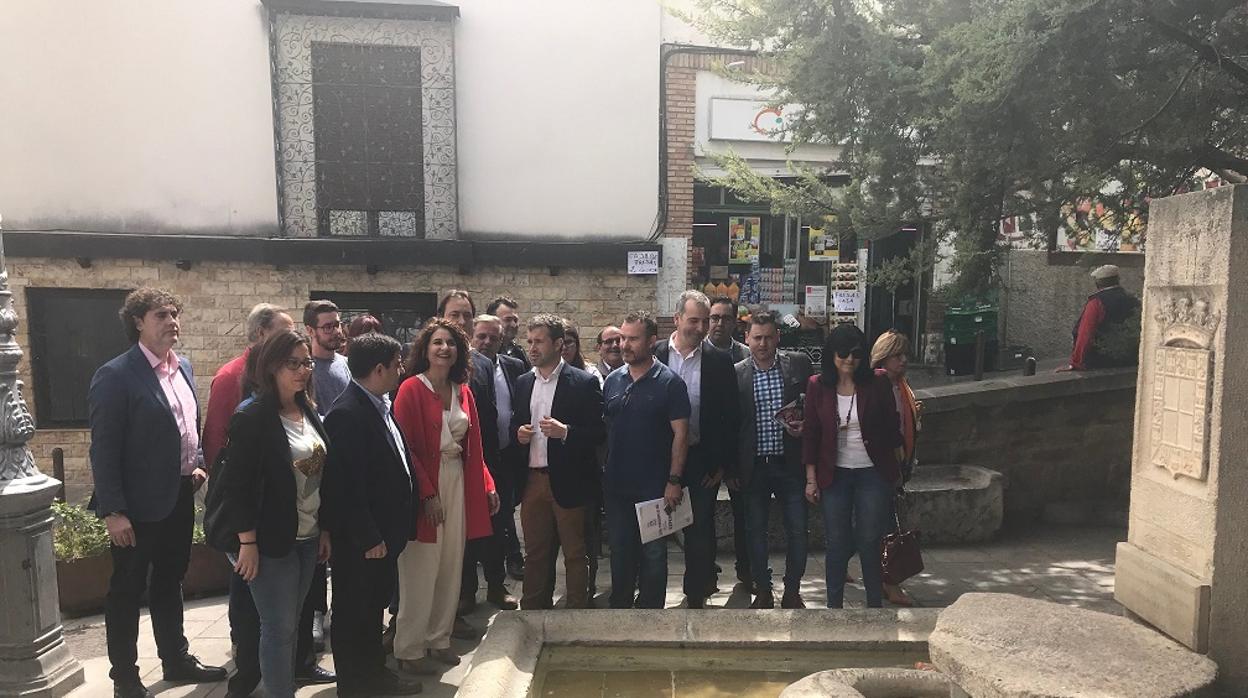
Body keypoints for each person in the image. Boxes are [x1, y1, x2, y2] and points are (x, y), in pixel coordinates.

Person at [88, 288, 226, 698]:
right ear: (137, 322)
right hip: (135, 508)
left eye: (175, 314)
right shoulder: (115, 375)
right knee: (127, 592)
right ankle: (125, 678)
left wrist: (198, 461)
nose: (172, 322)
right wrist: (114, 510)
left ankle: (176, 659)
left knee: (171, 581)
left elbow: (188, 423)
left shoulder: (182, 366)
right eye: (161, 315)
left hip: (179, 497)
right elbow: (104, 448)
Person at [214, 329, 333, 698]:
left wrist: (324, 530)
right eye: (292, 364)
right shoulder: (252, 416)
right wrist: (246, 541)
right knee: (277, 628)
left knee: (292, 624)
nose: (302, 371)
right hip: (268, 541)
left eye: (306, 363)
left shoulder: (307, 408)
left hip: (307, 535)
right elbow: (238, 487)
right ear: (270, 367)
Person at [392, 320, 501, 675]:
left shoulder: (462, 390)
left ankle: (439, 639)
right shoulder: (409, 389)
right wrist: (427, 494)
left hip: (458, 479)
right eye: (437, 342)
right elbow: (405, 450)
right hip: (424, 484)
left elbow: (475, 446)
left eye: (451, 343)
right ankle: (409, 648)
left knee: (451, 564)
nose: (444, 348)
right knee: (420, 568)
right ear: (425, 349)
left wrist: (486, 484)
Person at [201, 303, 294, 697]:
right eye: (282, 332)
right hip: (247, 517)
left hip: (278, 515)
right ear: (259, 336)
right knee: (246, 597)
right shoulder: (231, 378)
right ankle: (247, 669)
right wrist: (243, 527)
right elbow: (219, 448)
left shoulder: (287, 386)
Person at [321, 333, 422, 696]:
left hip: (384, 535)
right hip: (365, 540)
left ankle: (375, 675)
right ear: (379, 368)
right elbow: (346, 487)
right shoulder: (347, 414)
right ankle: (355, 683)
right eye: (397, 363)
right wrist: (369, 536)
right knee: (354, 611)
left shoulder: (379, 403)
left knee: (372, 608)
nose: (402, 369)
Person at [803, 324, 903, 608]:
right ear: (831, 354)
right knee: (837, 541)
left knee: (870, 539)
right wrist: (811, 478)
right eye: (843, 353)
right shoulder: (817, 386)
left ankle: (874, 604)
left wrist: (897, 465)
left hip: (872, 471)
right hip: (835, 473)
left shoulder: (877, 383)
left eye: (856, 354)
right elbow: (811, 433)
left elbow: (891, 425)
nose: (849, 359)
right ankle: (833, 607)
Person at [510, 314, 606, 609]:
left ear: (558, 344)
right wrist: (519, 434)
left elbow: (599, 433)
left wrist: (566, 432)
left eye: (539, 341)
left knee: (575, 552)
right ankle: (533, 609)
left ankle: (577, 608)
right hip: (533, 481)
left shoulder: (583, 382)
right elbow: (517, 423)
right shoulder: (524, 382)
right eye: (530, 342)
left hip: (570, 481)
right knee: (536, 552)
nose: (533, 348)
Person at [654, 291, 738, 608]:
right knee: (655, 528)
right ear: (677, 319)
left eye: (705, 321)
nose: (701, 327)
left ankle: (696, 594)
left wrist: (721, 464)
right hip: (659, 460)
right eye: (694, 320)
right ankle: (651, 594)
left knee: (700, 530)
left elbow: (730, 415)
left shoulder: (718, 361)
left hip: (702, 458)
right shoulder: (656, 355)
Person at [602, 311, 690, 609]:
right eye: (622, 338)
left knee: (654, 555)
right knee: (620, 551)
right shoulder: (613, 381)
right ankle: (620, 610)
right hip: (617, 487)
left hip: (655, 488)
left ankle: (652, 615)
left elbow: (681, 435)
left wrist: (674, 481)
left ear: (652, 341)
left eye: (632, 339)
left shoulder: (670, 383)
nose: (623, 345)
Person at [731, 311, 813, 609]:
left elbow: (814, 406)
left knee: (797, 530)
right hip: (753, 465)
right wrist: (732, 468)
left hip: (790, 463)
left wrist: (805, 425)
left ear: (778, 337)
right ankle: (763, 590)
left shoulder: (799, 364)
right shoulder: (737, 372)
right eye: (757, 338)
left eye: (768, 337)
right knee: (755, 531)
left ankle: (792, 589)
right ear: (747, 339)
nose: (763, 344)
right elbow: (732, 424)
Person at [439, 291, 514, 616]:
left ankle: (496, 585)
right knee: (462, 531)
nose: (462, 322)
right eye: (455, 315)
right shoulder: (433, 364)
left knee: (496, 528)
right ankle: (465, 591)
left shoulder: (482, 364)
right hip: (451, 461)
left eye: (466, 315)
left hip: (489, 459)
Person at [298, 299, 347, 680]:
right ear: (311, 331)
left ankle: (334, 613)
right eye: (327, 326)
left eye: (337, 324)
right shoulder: (308, 371)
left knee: (337, 546)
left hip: (344, 470)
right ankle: (315, 615)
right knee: (315, 551)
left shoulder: (345, 365)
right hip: (315, 471)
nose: (335, 331)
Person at [470, 313, 527, 597]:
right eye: (481, 336)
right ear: (471, 336)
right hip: (474, 460)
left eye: (494, 337)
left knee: (500, 522)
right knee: (470, 529)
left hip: (506, 459)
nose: (487, 342)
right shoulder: (465, 369)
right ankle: (466, 593)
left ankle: (496, 585)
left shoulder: (515, 367)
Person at [203, 303, 294, 469]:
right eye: (285, 333)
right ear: (261, 333)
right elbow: (216, 436)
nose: (291, 340)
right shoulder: (230, 376)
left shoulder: (284, 372)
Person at [870, 330, 920, 607]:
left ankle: (841, 563)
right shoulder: (876, 386)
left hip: (897, 463)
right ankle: (890, 584)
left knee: (874, 525)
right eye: (897, 356)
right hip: (879, 466)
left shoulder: (901, 386)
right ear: (883, 357)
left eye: (905, 356)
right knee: (887, 526)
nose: (903, 361)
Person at [708, 297, 751, 588]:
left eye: (725, 318)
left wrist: (734, 463)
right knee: (702, 517)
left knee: (744, 516)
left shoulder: (746, 356)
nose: (719, 323)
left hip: (739, 451)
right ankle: (706, 571)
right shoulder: (697, 354)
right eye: (714, 317)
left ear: (735, 321)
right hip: (707, 452)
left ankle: (746, 571)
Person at [1059, 264, 1141, 372]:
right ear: (1118, 280)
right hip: (1129, 360)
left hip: (1100, 361)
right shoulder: (1133, 300)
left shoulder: (1096, 302)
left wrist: (1076, 363)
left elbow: (1085, 333)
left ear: (1098, 283)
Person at [487, 295, 531, 369]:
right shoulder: (485, 350)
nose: (514, 325)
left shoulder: (518, 352)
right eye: (508, 320)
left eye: (515, 320)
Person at [708, 296, 749, 363]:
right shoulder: (696, 352)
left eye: (726, 319)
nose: (720, 324)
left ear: (734, 322)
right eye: (715, 318)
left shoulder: (746, 355)